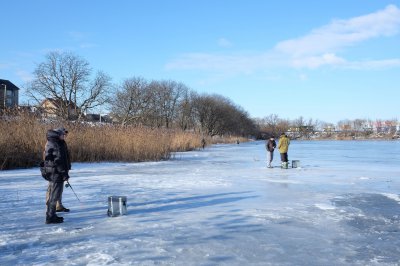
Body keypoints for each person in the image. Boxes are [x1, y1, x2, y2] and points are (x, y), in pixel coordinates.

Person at [44, 128, 70, 224]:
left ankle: (51, 214)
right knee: (54, 196)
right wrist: (64, 174)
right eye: (63, 134)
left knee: (54, 195)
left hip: (54, 173)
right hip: (56, 173)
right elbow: (58, 161)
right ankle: (50, 216)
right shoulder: (55, 144)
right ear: (58, 135)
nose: (64, 136)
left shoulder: (54, 142)